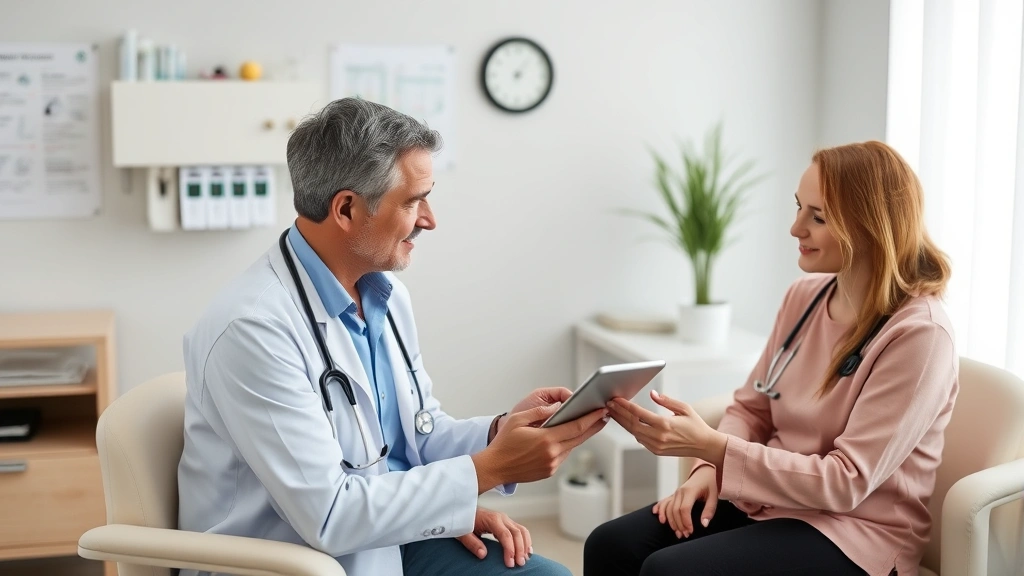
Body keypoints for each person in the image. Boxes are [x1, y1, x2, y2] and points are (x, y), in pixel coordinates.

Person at [177, 98, 607, 576]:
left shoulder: (384, 295)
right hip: (291, 560)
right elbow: (329, 515)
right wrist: (491, 468)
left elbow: (418, 436)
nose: (429, 219)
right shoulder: (253, 329)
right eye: (413, 200)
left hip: (383, 539)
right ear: (346, 208)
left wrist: (499, 433)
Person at [584, 141, 957, 576]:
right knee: (610, 546)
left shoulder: (920, 335)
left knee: (669, 571)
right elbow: (751, 408)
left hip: (855, 530)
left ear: (870, 227)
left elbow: (846, 483)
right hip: (771, 500)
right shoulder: (804, 298)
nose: (795, 228)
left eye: (817, 217)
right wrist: (708, 467)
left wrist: (712, 445)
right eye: (799, 208)